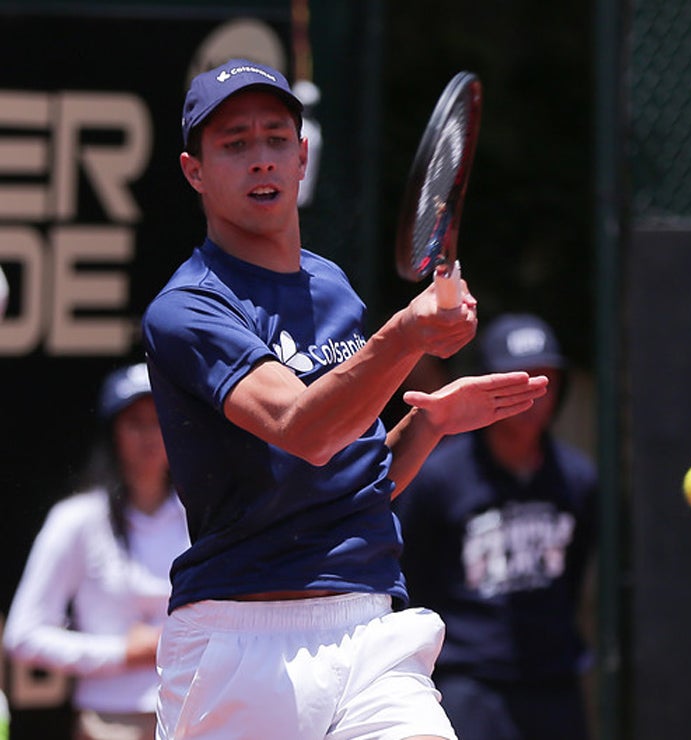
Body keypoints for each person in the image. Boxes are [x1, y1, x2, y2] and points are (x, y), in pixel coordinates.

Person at [140, 59, 548, 740]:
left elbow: (350, 478)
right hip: (238, 646)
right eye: (235, 145)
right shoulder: (186, 309)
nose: (261, 160)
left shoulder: (331, 287)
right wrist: (410, 333)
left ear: (302, 159)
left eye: (275, 140)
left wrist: (428, 422)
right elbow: (303, 430)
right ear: (195, 172)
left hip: (370, 634)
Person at [395, 313, 598, 740]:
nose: (534, 398)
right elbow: (408, 571)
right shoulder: (438, 478)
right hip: (467, 683)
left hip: (553, 682)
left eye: (545, 382)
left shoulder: (577, 479)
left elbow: (575, 570)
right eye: (519, 384)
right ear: (488, 385)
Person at [4, 362, 189, 740]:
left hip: (194, 714)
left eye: (160, 421)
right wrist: (119, 651)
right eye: (136, 423)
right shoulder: (77, 519)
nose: (150, 436)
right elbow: (22, 635)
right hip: (108, 723)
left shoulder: (203, 515)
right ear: (113, 433)